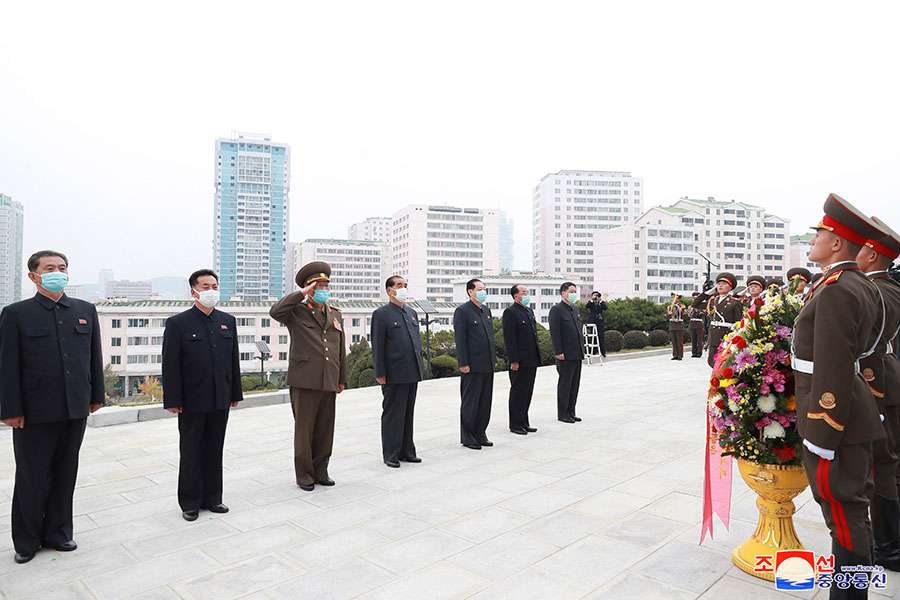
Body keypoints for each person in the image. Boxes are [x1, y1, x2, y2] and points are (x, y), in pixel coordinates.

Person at [792, 193, 886, 595]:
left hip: (836, 421)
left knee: (845, 515)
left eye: (819, 234)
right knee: (848, 514)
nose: (813, 240)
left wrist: (823, 430)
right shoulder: (855, 283)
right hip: (852, 411)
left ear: (836, 243)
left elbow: (833, 364)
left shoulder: (837, 289)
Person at [0, 251, 103, 564]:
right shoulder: (16, 314)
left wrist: (96, 395)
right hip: (34, 412)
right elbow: (7, 366)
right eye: (49, 268)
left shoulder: (85, 310)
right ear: (34, 276)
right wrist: (10, 409)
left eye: (62, 267)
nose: (57, 272)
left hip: (75, 408)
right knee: (32, 476)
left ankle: (58, 533)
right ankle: (26, 541)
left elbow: (93, 357)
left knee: (64, 473)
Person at [161, 269, 242, 521]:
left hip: (220, 397)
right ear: (194, 291)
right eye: (205, 286)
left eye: (214, 286)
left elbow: (233, 361)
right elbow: (170, 365)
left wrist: (235, 392)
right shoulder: (178, 323)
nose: (211, 291)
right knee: (191, 450)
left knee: (215, 448)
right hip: (191, 400)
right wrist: (173, 399)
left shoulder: (227, 321)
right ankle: (190, 502)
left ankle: (213, 498)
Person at [270, 261, 346, 491]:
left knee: (325, 429)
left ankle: (321, 470)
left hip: (329, 378)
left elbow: (340, 348)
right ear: (308, 288)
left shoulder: (335, 314)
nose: (323, 289)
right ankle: (304, 474)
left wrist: (342, 378)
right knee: (304, 430)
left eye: (325, 285)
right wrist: (301, 294)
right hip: (304, 379)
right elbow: (275, 312)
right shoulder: (296, 312)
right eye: (317, 285)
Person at [856, 216, 900, 571]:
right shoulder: (882, 286)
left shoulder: (880, 290)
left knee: (883, 464)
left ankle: (888, 545)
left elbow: (868, 345)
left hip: (879, 383)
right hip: (883, 379)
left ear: (871, 254)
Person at [371, 276, 424, 468]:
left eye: (405, 285)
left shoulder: (411, 312)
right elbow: (377, 345)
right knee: (393, 414)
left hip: (412, 371)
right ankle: (391, 454)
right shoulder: (381, 314)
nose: (403, 288)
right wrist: (380, 372)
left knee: (408, 413)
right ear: (389, 290)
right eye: (399, 285)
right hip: (394, 373)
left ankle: (407, 451)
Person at [453, 278, 496, 450]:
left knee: (485, 401)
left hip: (487, 364)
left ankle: (480, 433)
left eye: (484, 289)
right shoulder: (462, 311)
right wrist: (463, 362)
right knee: (471, 402)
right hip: (472, 365)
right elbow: (460, 339)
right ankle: (468, 436)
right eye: (479, 289)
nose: (483, 292)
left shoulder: (486, 310)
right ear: (470, 291)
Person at [502, 284, 540, 435]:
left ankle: (524, 421)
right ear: (515, 296)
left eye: (527, 292)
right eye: (523, 292)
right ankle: (515, 424)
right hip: (519, 361)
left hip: (531, 359)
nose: (526, 295)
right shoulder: (510, 312)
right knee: (518, 392)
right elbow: (510, 339)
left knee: (527, 392)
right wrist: (514, 360)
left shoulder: (529, 311)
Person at [549, 282, 585, 423]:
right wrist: (558, 351)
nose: (573, 294)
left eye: (575, 291)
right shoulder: (556, 310)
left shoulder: (575, 308)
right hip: (565, 354)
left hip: (577, 352)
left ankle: (571, 411)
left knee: (574, 384)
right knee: (565, 384)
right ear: (563, 293)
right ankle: (563, 413)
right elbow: (555, 333)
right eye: (571, 291)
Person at [705, 273, 742, 368]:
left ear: (730, 287)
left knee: (723, 363)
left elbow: (738, 323)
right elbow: (696, 304)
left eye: (724, 284)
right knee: (711, 361)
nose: (720, 286)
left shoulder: (735, 302)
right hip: (713, 335)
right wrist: (707, 293)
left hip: (726, 335)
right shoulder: (713, 300)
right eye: (718, 284)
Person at [585, 291, 608, 357]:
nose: (595, 297)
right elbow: (587, 306)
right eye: (594, 295)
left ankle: (603, 352)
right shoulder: (590, 302)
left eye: (597, 295)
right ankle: (593, 351)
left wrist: (600, 301)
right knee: (593, 337)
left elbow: (605, 308)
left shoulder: (601, 303)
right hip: (592, 322)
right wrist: (592, 300)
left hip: (600, 322)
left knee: (601, 337)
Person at [666, 294, 685, 360]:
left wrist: (680, 310)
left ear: (678, 299)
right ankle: (675, 355)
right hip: (672, 325)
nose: (674, 299)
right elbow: (667, 317)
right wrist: (669, 314)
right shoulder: (669, 307)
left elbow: (683, 315)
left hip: (679, 325)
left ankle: (680, 355)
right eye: (673, 298)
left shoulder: (681, 306)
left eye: (675, 298)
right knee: (674, 342)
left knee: (679, 342)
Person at [688, 291, 706, 358]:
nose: (695, 299)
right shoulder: (691, 306)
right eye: (694, 297)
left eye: (696, 297)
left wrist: (698, 310)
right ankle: (694, 352)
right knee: (693, 339)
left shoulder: (702, 305)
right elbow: (689, 315)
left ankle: (699, 353)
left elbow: (703, 314)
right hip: (692, 323)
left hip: (699, 323)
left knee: (699, 339)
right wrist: (691, 310)